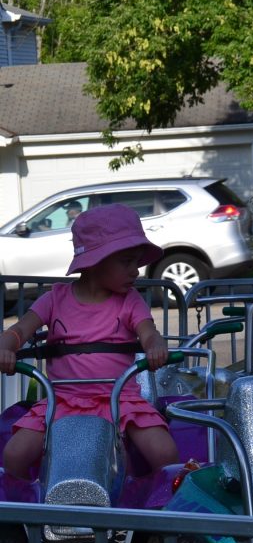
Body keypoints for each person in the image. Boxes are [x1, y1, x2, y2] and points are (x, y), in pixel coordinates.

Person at [0, 204, 178, 480]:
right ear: (96, 261)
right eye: (127, 262)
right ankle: (28, 514)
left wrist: (155, 344)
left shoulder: (130, 301)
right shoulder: (54, 299)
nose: (136, 271)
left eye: (137, 261)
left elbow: (148, 332)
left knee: (164, 453)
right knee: (14, 455)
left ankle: (152, 510)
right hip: (62, 399)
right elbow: (20, 330)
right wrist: (6, 346)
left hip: (120, 398)